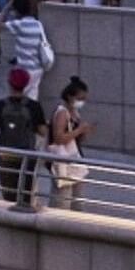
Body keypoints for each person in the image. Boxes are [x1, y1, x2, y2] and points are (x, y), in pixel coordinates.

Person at [0, 72, 43, 210]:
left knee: (8, 194)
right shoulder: (34, 106)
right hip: (27, 156)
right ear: (26, 85)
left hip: (6, 154)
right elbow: (43, 131)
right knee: (26, 193)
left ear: (9, 83)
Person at [43, 78, 92, 211]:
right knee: (62, 200)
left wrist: (82, 132)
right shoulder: (62, 113)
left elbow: (75, 139)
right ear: (70, 96)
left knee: (76, 200)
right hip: (63, 160)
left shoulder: (75, 113)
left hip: (74, 159)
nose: (82, 102)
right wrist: (79, 130)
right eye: (80, 98)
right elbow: (59, 138)